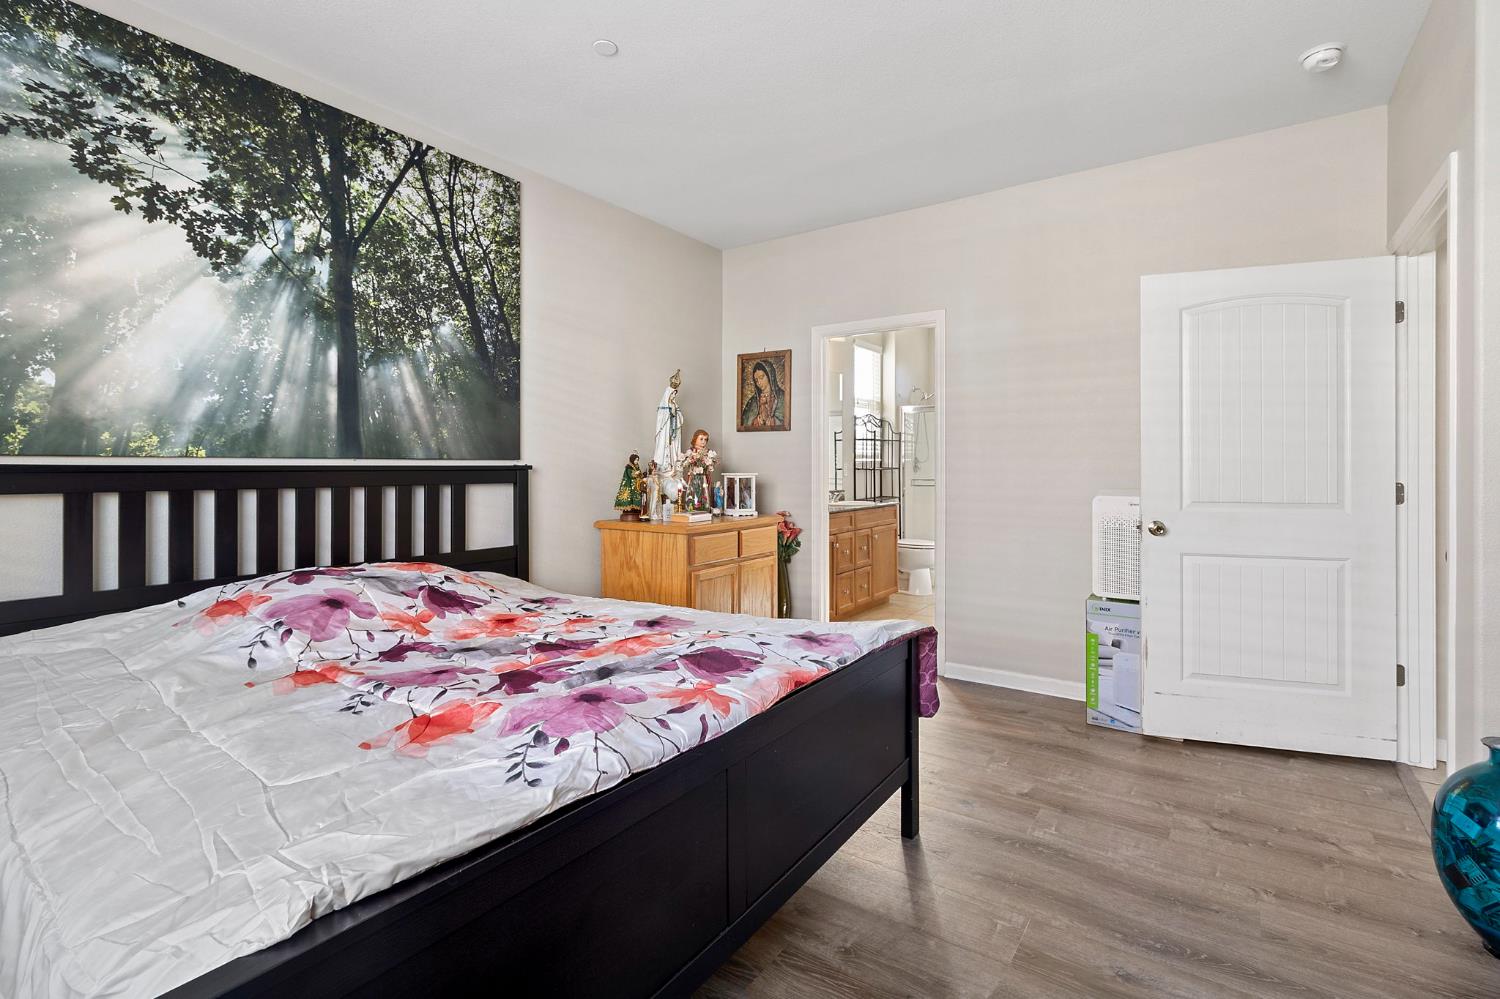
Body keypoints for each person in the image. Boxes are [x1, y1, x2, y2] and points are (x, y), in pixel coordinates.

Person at [741, 359, 786, 429]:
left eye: (761, 377)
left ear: (770, 376)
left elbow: (784, 421)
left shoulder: (782, 397)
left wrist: (773, 421)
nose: (759, 382)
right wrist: (757, 421)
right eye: (756, 380)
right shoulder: (753, 401)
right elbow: (745, 423)